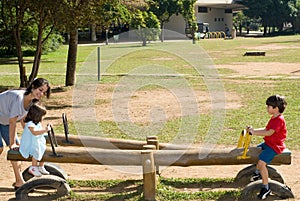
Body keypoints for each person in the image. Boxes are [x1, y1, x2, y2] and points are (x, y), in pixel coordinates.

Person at [0, 78, 50, 189]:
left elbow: (23, 119)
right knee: (1, 148)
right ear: (33, 87)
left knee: (17, 151)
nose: (41, 94)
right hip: (6, 120)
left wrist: (29, 134)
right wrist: (12, 143)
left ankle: (19, 181)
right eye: (40, 90)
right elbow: (13, 121)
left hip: (3, 121)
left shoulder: (32, 102)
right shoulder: (19, 98)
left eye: (44, 92)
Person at [247, 95, 287, 200]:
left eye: (269, 106)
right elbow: (266, 129)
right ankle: (257, 173)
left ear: (276, 108)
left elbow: (269, 132)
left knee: (261, 163)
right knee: (256, 151)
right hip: (269, 143)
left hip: (274, 146)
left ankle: (266, 187)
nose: (267, 108)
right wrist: (254, 130)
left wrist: (254, 132)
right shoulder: (274, 118)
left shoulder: (279, 120)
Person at [19, 104, 50, 177]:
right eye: (42, 116)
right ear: (37, 115)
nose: (43, 118)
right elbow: (35, 133)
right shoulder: (30, 124)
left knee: (43, 148)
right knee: (36, 150)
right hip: (29, 144)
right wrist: (45, 130)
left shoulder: (37, 123)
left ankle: (41, 166)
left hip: (35, 141)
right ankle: (33, 167)